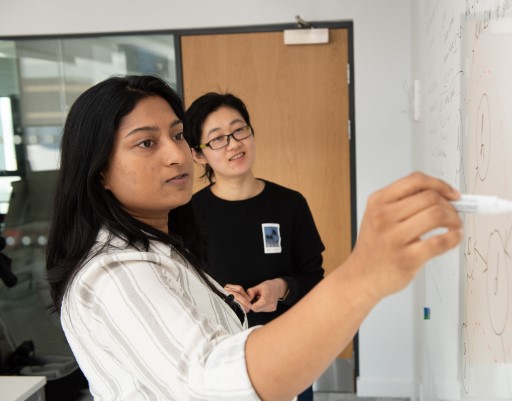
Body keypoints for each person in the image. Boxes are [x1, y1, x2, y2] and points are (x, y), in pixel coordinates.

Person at [45, 74, 463, 401]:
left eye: (175, 136)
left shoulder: (179, 235)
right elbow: (212, 383)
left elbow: (306, 275)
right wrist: (364, 275)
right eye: (146, 143)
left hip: (282, 353)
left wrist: (237, 301)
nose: (175, 155)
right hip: (270, 364)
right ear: (98, 169)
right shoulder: (118, 270)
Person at [176, 92, 325, 400]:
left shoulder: (290, 204)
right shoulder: (186, 215)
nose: (233, 143)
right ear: (199, 154)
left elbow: (314, 279)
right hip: (219, 359)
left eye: (239, 129)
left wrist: (282, 288)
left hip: (287, 349)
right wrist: (220, 299)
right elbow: (179, 291)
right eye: (217, 139)